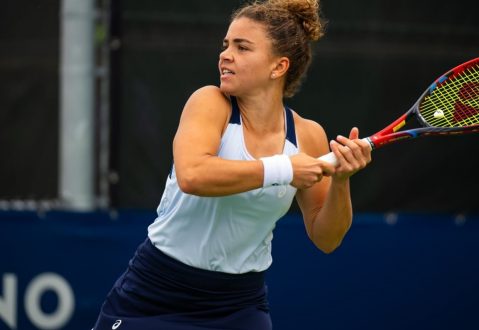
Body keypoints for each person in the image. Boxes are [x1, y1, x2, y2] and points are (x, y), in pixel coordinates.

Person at [92, 0, 371, 329]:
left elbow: (327, 238)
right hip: (156, 293)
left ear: (278, 67)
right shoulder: (209, 102)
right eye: (226, 45)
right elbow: (193, 175)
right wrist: (285, 168)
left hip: (239, 306)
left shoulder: (308, 135)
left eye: (242, 47)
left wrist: (342, 180)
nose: (226, 54)